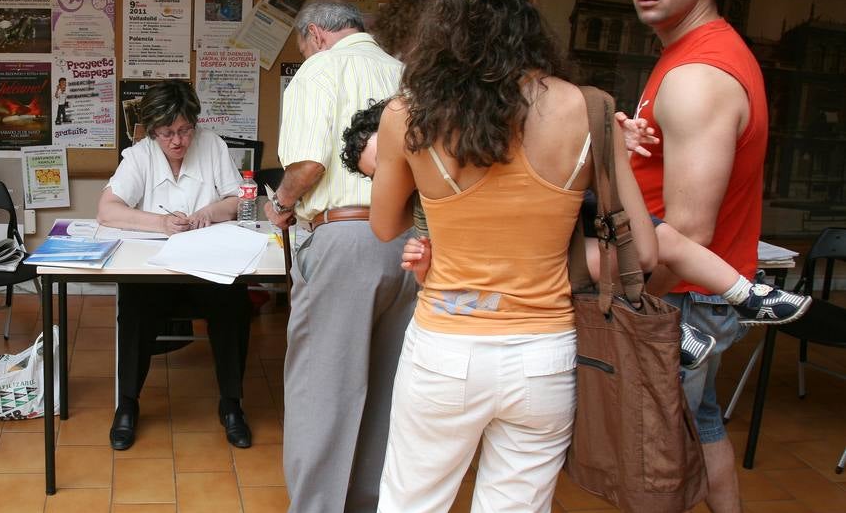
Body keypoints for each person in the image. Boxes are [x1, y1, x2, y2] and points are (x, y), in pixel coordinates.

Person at [348, 0, 658, 513]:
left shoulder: (408, 112)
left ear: (446, 1)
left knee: (407, 512)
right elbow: (641, 245)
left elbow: (386, 227)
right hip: (542, 358)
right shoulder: (589, 110)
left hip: (446, 347)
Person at [557, 0, 795, 513]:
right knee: (702, 424)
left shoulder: (697, 75)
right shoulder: (693, 55)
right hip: (694, 298)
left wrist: (602, 282)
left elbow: (685, 233)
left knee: (660, 449)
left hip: (679, 300)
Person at [345, 101, 809, 369]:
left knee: (658, 245)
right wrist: (426, 264)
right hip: (534, 269)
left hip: (560, 222)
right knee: (617, 264)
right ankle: (671, 329)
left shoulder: (454, 139)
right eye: (382, 175)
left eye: (392, 165)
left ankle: (745, 294)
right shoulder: (419, 207)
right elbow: (438, 273)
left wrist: (609, 150)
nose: (397, 180)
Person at [261, 0, 419, 513]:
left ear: (316, 35)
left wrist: (279, 205)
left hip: (344, 235)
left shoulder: (318, 71)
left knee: (323, 392)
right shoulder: (405, 71)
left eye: (302, 45)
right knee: (384, 393)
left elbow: (307, 166)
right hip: (406, 243)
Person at [97, 80, 254, 450]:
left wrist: (209, 212)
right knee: (134, 306)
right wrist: (161, 223)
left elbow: (237, 199)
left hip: (210, 269)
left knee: (234, 304)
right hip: (155, 272)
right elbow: (107, 210)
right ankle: (128, 405)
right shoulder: (139, 155)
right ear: (153, 131)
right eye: (167, 133)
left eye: (184, 130)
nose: (178, 141)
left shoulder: (212, 145)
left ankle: (232, 404)